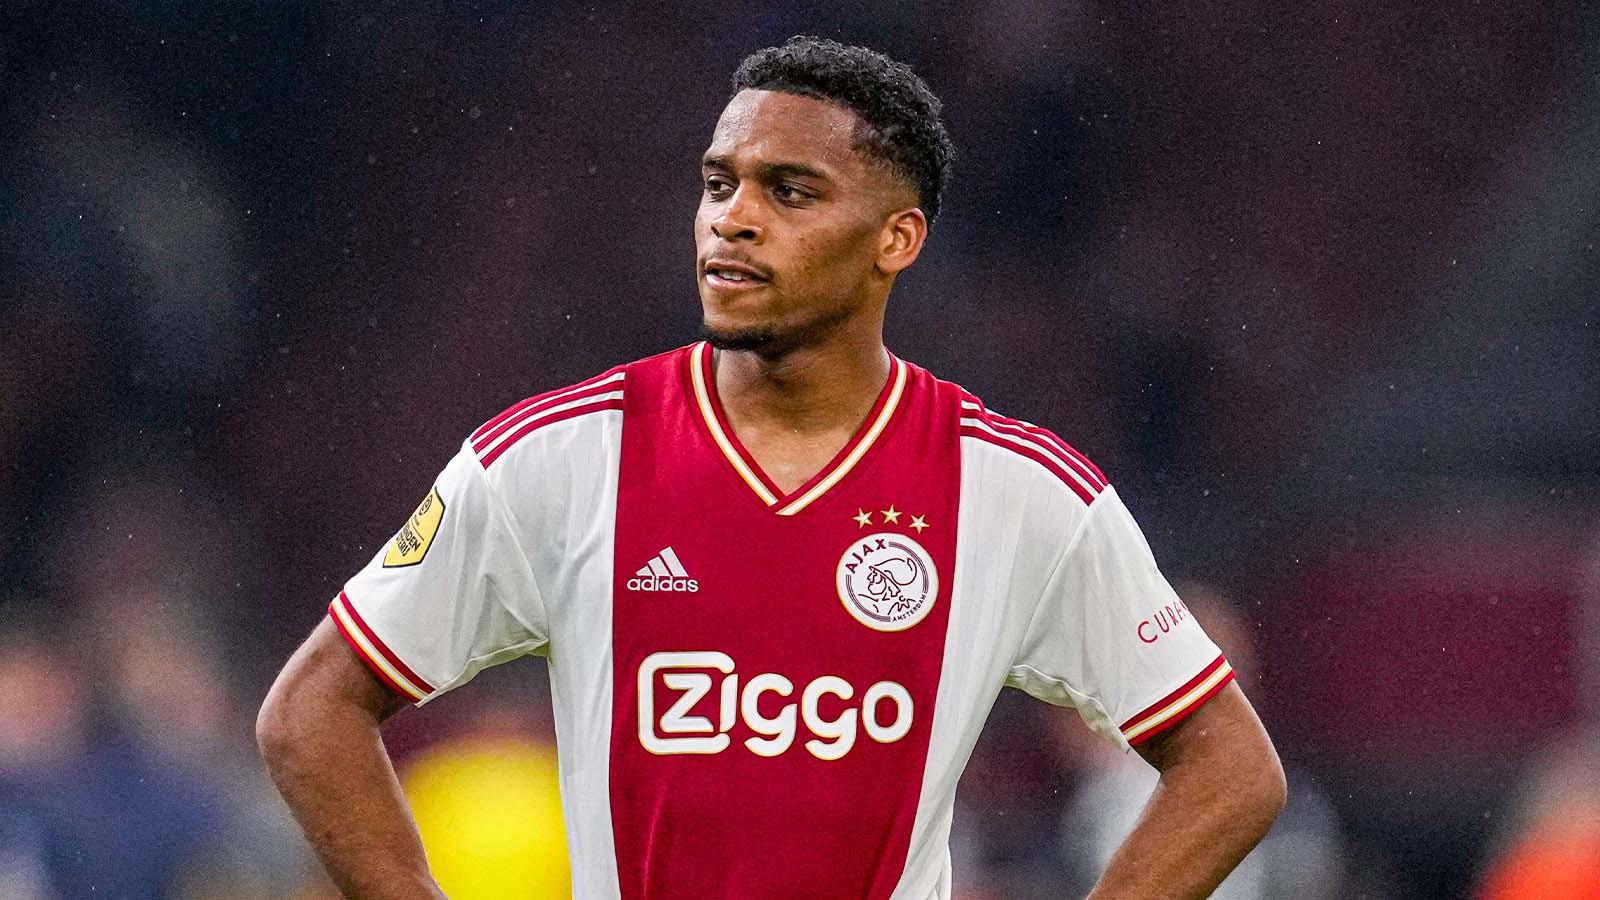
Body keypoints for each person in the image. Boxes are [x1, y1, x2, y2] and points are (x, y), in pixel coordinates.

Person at [257, 36, 1285, 900]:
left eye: (789, 190)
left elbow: (1232, 770)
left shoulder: (1015, 492)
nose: (732, 217)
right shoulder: (559, 458)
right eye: (718, 184)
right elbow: (310, 714)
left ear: (897, 238)